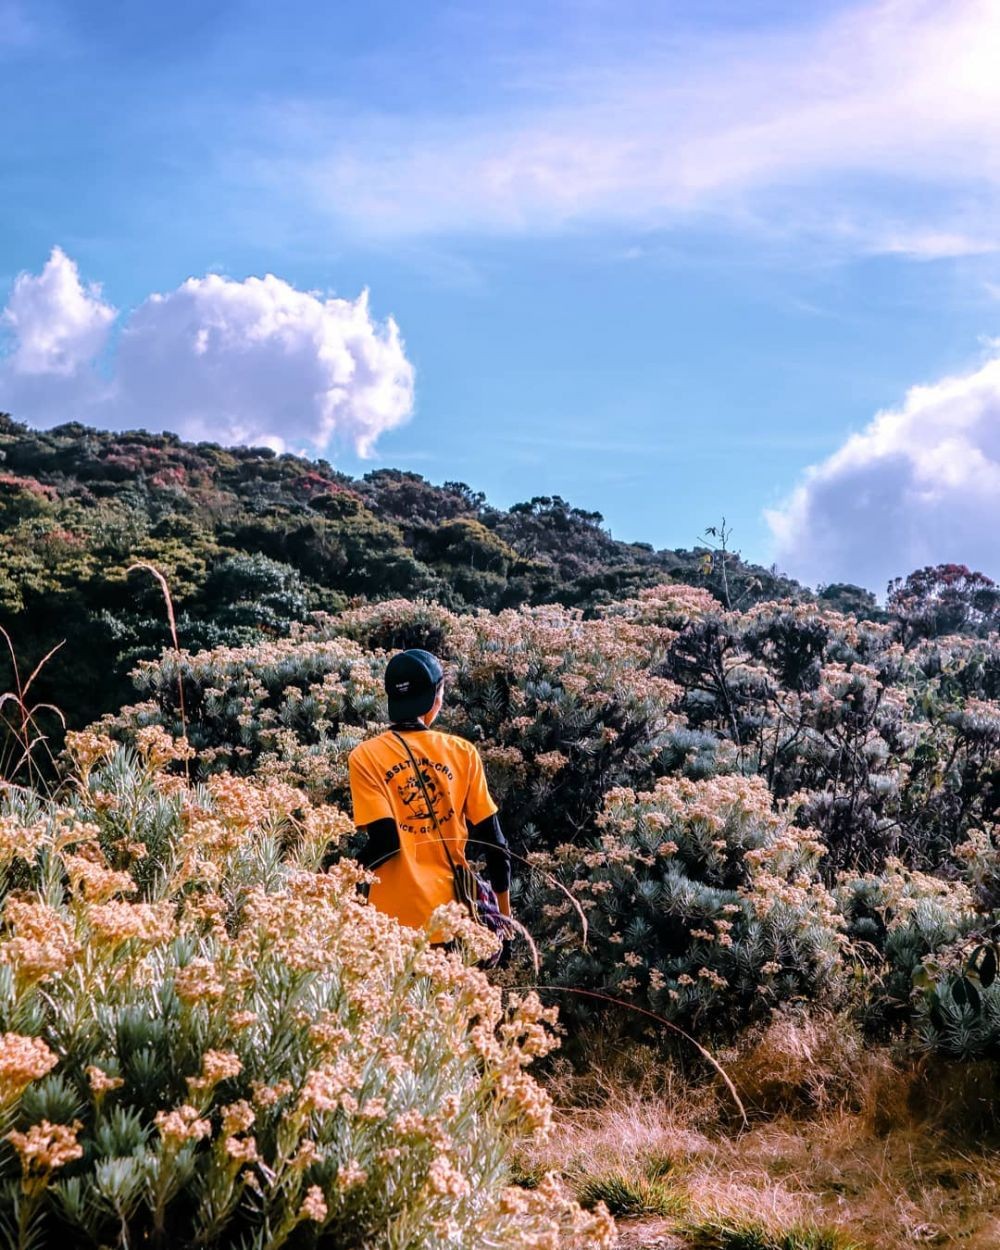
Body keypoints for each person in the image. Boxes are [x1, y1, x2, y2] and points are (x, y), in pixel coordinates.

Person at [347, 648, 512, 940]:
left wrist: (339, 878)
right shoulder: (463, 753)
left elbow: (386, 842)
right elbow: (495, 845)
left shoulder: (365, 756)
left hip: (387, 925)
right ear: (436, 697)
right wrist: (505, 922)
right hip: (451, 922)